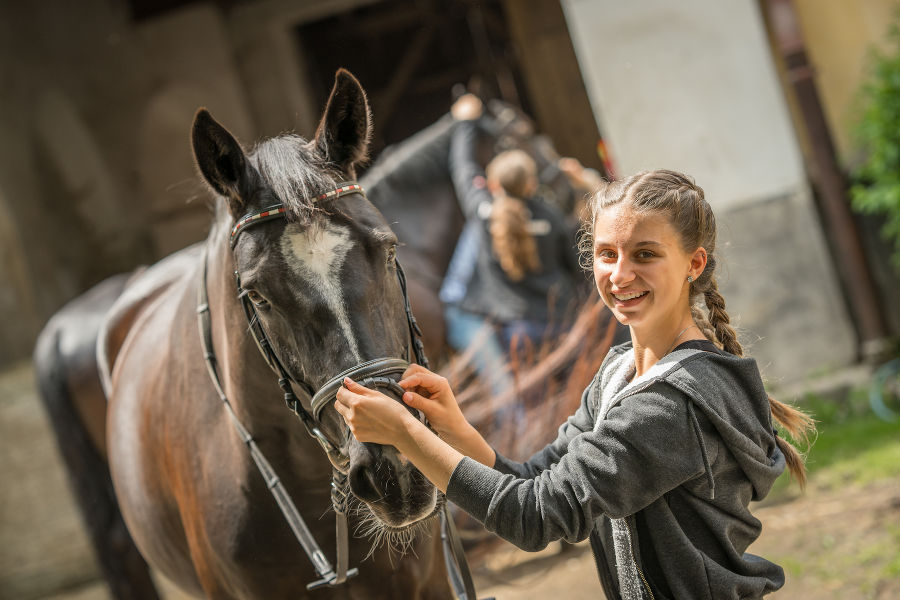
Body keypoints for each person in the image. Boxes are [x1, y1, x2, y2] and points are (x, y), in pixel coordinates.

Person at [335, 169, 814, 599]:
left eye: (644, 254)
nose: (620, 274)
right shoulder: (619, 372)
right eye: (607, 254)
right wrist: (452, 427)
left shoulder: (673, 404)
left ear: (694, 264)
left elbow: (536, 517)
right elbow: (531, 481)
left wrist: (406, 435)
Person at [441, 94, 584, 363]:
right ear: (530, 185)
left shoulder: (483, 214)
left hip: (519, 332)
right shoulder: (551, 216)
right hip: (564, 323)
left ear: (492, 185)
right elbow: (576, 267)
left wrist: (464, 124)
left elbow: (463, 167)